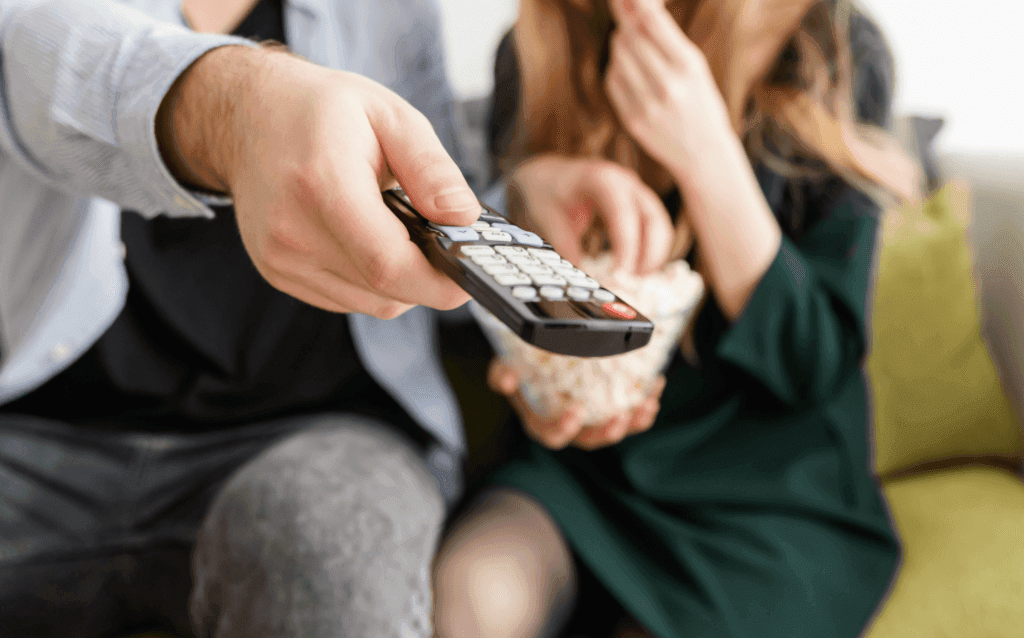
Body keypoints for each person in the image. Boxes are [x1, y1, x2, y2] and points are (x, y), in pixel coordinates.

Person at [0, 0, 670, 635]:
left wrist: (516, 194)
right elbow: (33, 52)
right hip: (35, 427)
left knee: (333, 555)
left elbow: (421, 180)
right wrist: (234, 108)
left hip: (322, 433)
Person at [432, 0, 922, 636]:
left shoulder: (831, 47)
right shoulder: (532, 53)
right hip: (586, 479)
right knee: (466, 596)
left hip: (771, 498)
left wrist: (706, 151)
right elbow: (529, 322)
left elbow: (812, 364)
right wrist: (544, 386)